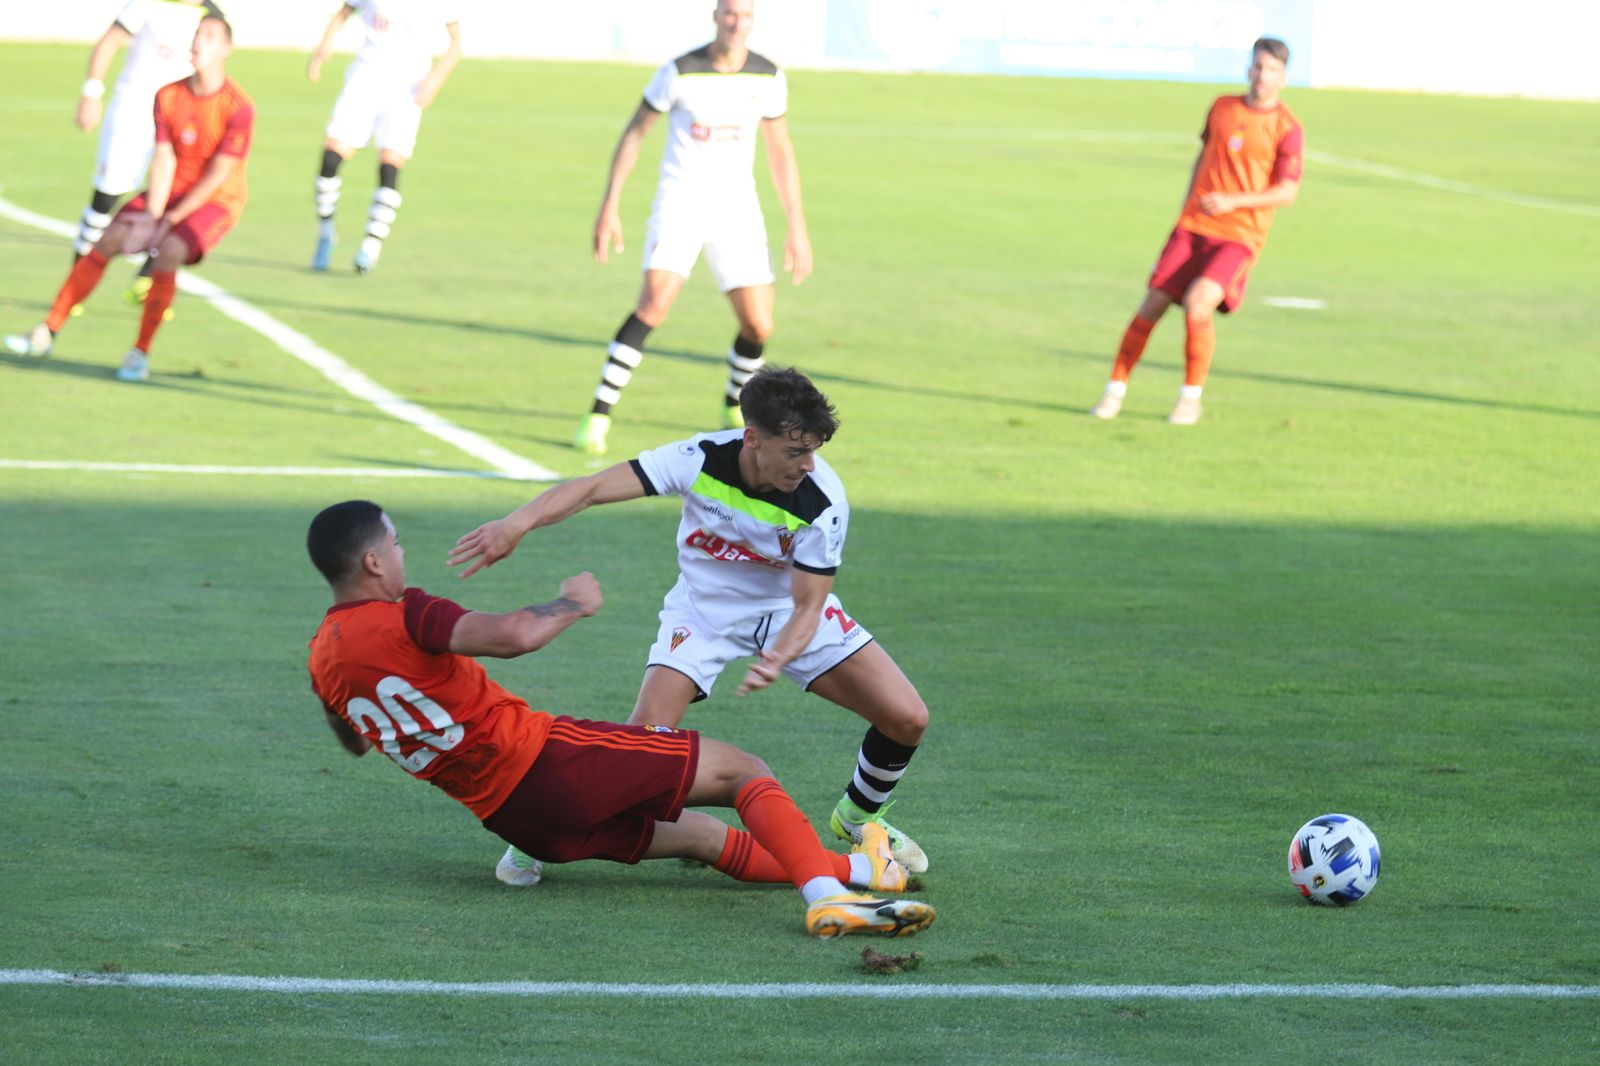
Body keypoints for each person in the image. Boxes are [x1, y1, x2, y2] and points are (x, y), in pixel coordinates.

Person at [305, 500, 934, 940]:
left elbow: (357, 740)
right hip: (547, 763)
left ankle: (861, 872)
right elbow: (515, 636)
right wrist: (572, 603)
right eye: (394, 542)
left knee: (702, 838)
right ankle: (829, 902)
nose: (401, 552)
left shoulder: (322, 660)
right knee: (744, 772)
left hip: (514, 817)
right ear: (372, 563)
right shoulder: (402, 613)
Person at [451, 367, 932, 881]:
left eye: (813, 450)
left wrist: (779, 656)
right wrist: (515, 523)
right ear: (752, 438)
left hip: (786, 614)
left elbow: (810, 605)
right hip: (702, 612)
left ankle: (859, 818)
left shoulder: (822, 500)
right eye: (794, 452)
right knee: (638, 751)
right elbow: (591, 488)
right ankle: (536, 840)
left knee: (907, 717)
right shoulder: (698, 459)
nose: (807, 464)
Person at [575, 0, 812, 457]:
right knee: (653, 306)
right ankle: (598, 413)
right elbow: (634, 133)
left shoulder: (767, 75)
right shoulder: (680, 71)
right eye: (728, 13)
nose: (736, 23)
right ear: (715, 16)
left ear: (753, 21)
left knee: (759, 324)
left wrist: (796, 225)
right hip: (680, 205)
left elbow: (780, 151)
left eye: (745, 15)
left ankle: (734, 399)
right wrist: (610, 205)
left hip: (737, 211)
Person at [4, 15, 251, 383]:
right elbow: (165, 159)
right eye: (198, 34)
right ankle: (47, 332)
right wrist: (153, 215)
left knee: (168, 251)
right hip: (167, 194)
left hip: (216, 201)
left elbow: (218, 175)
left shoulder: (238, 107)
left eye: (211, 37)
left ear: (227, 50)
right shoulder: (168, 95)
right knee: (108, 238)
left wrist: (166, 222)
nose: (199, 42)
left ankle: (139, 354)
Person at [1090, 37, 1303, 426]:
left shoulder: (1287, 127)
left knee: (1198, 303)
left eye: (1271, 69)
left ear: (1284, 77)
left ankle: (1190, 398)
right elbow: (1203, 156)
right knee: (1151, 304)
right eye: (1257, 67)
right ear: (1248, 68)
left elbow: (1287, 191)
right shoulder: (1221, 107)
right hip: (1192, 227)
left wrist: (1233, 202)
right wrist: (1186, 206)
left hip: (1239, 234)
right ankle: (1114, 390)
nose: (1261, 76)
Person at [71, 0, 222, 311]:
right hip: (133, 112)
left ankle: (147, 279)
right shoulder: (146, 4)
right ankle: (75, 284)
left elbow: (216, 64)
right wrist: (92, 93)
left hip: (178, 118)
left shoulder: (211, 15)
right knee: (106, 197)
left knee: (174, 198)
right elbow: (109, 42)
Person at [306, 1, 462, 274]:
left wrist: (434, 81)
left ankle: (371, 244)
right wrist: (323, 49)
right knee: (331, 157)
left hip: (407, 88)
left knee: (390, 162)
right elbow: (344, 12)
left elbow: (456, 42)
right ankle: (326, 232)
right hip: (364, 80)